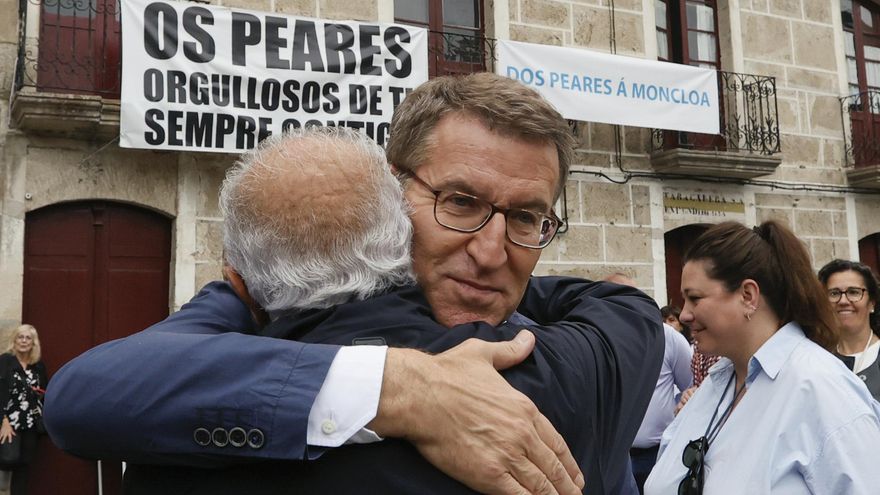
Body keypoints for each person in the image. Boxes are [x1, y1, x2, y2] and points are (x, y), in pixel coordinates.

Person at [45, 73, 664, 494]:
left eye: (528, 217)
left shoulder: (171, 434)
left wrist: (244, 293)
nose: (491, 250)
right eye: (460, 201)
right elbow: (83, 395)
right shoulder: (576, 378)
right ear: (392, 197)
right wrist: (398, 386)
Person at [644, 221, 880, 494]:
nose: (684, 314)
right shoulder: (717, 383)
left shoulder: (821, 388)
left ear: (748, 295)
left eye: (695, 298)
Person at [630, 322, 692, 494]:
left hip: (658, 454)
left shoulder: (668, 338)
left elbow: (690, 388)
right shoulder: (605, 335)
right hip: (616, 455)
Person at [818, 259, 880, 401]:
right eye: (834, 293)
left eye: (853, 292)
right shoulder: (817, 359)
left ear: (872, 302)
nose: (843, 301)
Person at [0, 325, 47, 495]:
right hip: (8, 420)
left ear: (34, 343)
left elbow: (44, 392)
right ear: (14, 340)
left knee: (24, 465)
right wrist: (3, 421)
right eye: (20, 337)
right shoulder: (5, 361)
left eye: (28, 338)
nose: (24, 341)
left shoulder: (38, 366)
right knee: (8, 458)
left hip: (30, 422)